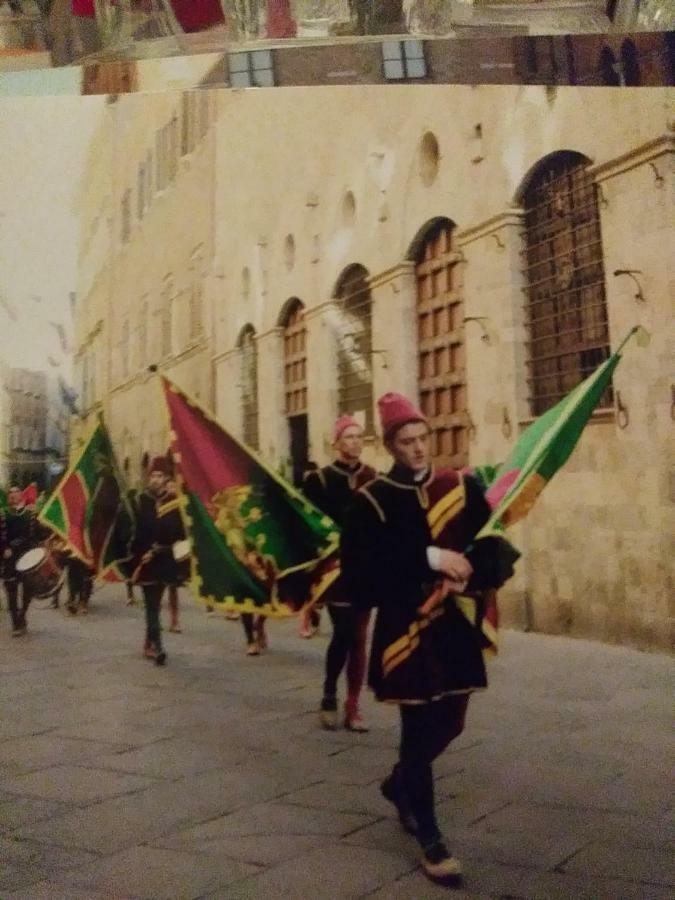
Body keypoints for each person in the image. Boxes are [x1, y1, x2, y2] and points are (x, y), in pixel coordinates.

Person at [340, 393, 516, 884]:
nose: (419, 449)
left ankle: (400, 784)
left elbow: (493, 544)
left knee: (453, 722)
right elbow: (360, 575)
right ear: (391, 446)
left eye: (423, 439)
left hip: (454, 625)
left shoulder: (458, 487)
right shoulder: (370, 502)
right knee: (416, 731)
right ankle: (431, 838)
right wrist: (430, 560)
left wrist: (469, 574)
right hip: (406, 630)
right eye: (407, 441)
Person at [303, 415, 376, 732]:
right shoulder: (319, 480)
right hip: (335, 570)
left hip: (366, 567)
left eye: (360, 437)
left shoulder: (374, 478)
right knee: (344, 633)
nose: (356, 442)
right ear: (337, 443)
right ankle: (329, 694)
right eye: (349, 437)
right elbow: (308, 523)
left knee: (360, 638)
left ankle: (353, 705)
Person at [129, 458, 184, 666]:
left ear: (166, 478)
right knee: (152, 605)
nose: (155, 479)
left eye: (159, 476)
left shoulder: (173, 502)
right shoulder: (141, 500)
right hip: (146, 562)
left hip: (164, 560)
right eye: (152, 475)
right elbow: (136, 531)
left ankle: (148, 642)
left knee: (155, 606)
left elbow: (179, 533)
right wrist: (140, 553)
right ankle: (158, 646)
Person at [0, 485, 40, 636]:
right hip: (9, 558)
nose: (12, 495)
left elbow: (37, 534)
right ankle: (16, 623)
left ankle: (23, 614)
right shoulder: (3, 514)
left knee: (28, 589)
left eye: (16, 492)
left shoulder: (30, 514)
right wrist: (4, 549)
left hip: (27, 556)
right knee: (11, 590)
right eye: (10, 493)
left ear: (21, 495)